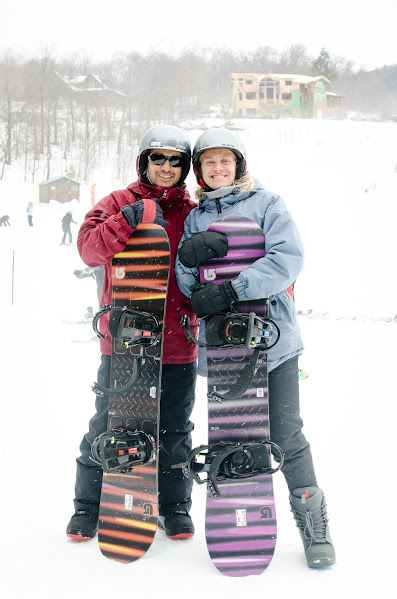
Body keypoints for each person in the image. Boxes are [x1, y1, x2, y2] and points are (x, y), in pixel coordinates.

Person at [175, 127, 336, 568]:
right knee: (232, 434)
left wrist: (233, 289)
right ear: (200, 171)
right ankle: (235, 520)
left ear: (240, 165)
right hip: (226, 351)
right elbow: (190, 286)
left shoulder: (268, 204)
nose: (218, 168)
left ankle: (313, 523)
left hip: (274, 340)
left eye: (225, 160)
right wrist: (189, 262)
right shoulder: (195, 219)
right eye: (209, 162)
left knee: (285, 432)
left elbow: (288, 259)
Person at [67, 125, 199, 542]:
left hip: (178, 342)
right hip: (125, 344)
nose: (166, 167)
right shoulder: (118, 202)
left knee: (175, 428)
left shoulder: (193, 212)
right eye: (157, 158)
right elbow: (89, 249)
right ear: (144, 161)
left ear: (185, 167)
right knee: (109, 423)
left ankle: (175, 506)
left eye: (175, 160)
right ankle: (87, 506)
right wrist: (126, 221)